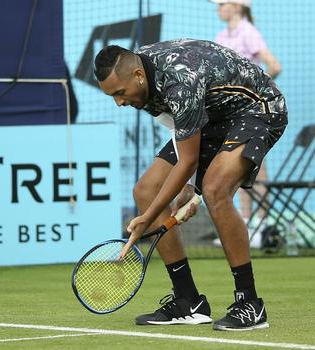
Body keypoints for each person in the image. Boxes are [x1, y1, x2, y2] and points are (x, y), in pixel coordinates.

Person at [93, 39, 287, 331]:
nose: (119, 102)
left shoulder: (178, 80)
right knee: (146, 191)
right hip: (211, 116)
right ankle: (188, 301)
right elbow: (181, 134)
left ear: (137, 76)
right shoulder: (143, 85)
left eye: (120, 93)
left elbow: (188, 162)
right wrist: (187, 191)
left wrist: (149, 217)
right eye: (112, 96)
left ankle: (250, 303)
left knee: (215, 190)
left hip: (257, 107)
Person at [208, 0, 282, 228]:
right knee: (235, 166)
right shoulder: (221, 37)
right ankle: (246, 224)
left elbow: (274, 66)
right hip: (231, 114)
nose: (218, 9)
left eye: (222, 4)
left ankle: (263, 224)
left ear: (237, 7)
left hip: (254, 113)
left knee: (257, 167)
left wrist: (256, 92)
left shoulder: (248, 32)